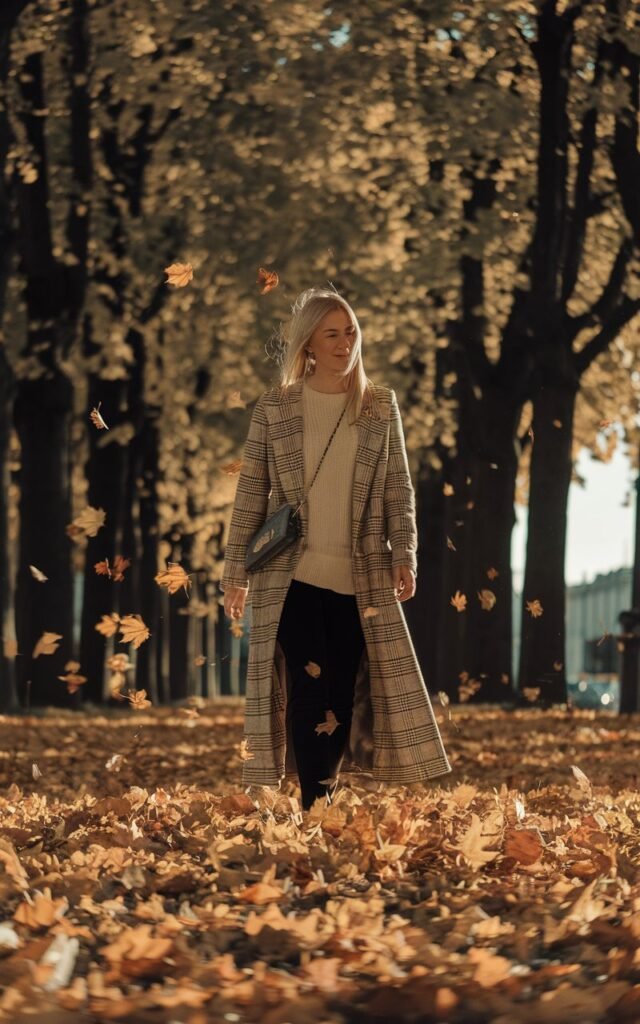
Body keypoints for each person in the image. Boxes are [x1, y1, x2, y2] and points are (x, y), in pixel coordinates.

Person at [221, 287, 452, 811]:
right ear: (308, 344)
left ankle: (323, 794)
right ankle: (314, 804)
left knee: (341, 692)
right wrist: (236, 572)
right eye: (332, 334)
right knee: (307, 687)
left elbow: (399, 487)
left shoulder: (379, 406)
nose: (345, 342)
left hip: (361, 574)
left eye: (350, 331)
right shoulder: (275, 408)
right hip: (290, 573)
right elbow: (251, 491)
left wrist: (404, 553)